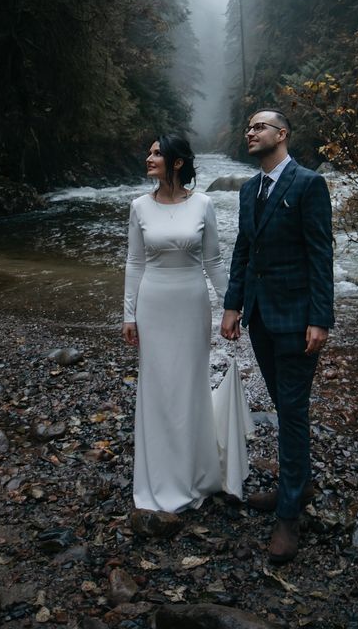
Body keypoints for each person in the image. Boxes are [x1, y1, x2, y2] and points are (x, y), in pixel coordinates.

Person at [221, 108, 334, 563]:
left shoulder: (308, 184)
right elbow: (243, 250)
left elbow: (320, 254)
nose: (250, 131)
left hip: (298, 317)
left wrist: (320, 318)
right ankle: (299, 483)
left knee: (291, 411)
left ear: (282, 134)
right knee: (284, 406)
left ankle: (289, 514)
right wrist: (232, 305)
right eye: (246, 126)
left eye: (259, 126)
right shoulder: (250, 189)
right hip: (261, 318)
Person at [122, 134, 229, 513]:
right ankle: (157, 478)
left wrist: (230, 307)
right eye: (148, 151)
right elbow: (135, 262)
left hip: (191, 303)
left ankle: (193, 473)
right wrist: (129, 314)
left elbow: (213, 261)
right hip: (153, 304)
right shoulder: (138, 206)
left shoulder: (203, 203)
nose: (148, 157)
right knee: (157, 387)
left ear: (177, 163)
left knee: (188, 386)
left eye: (156, 153)